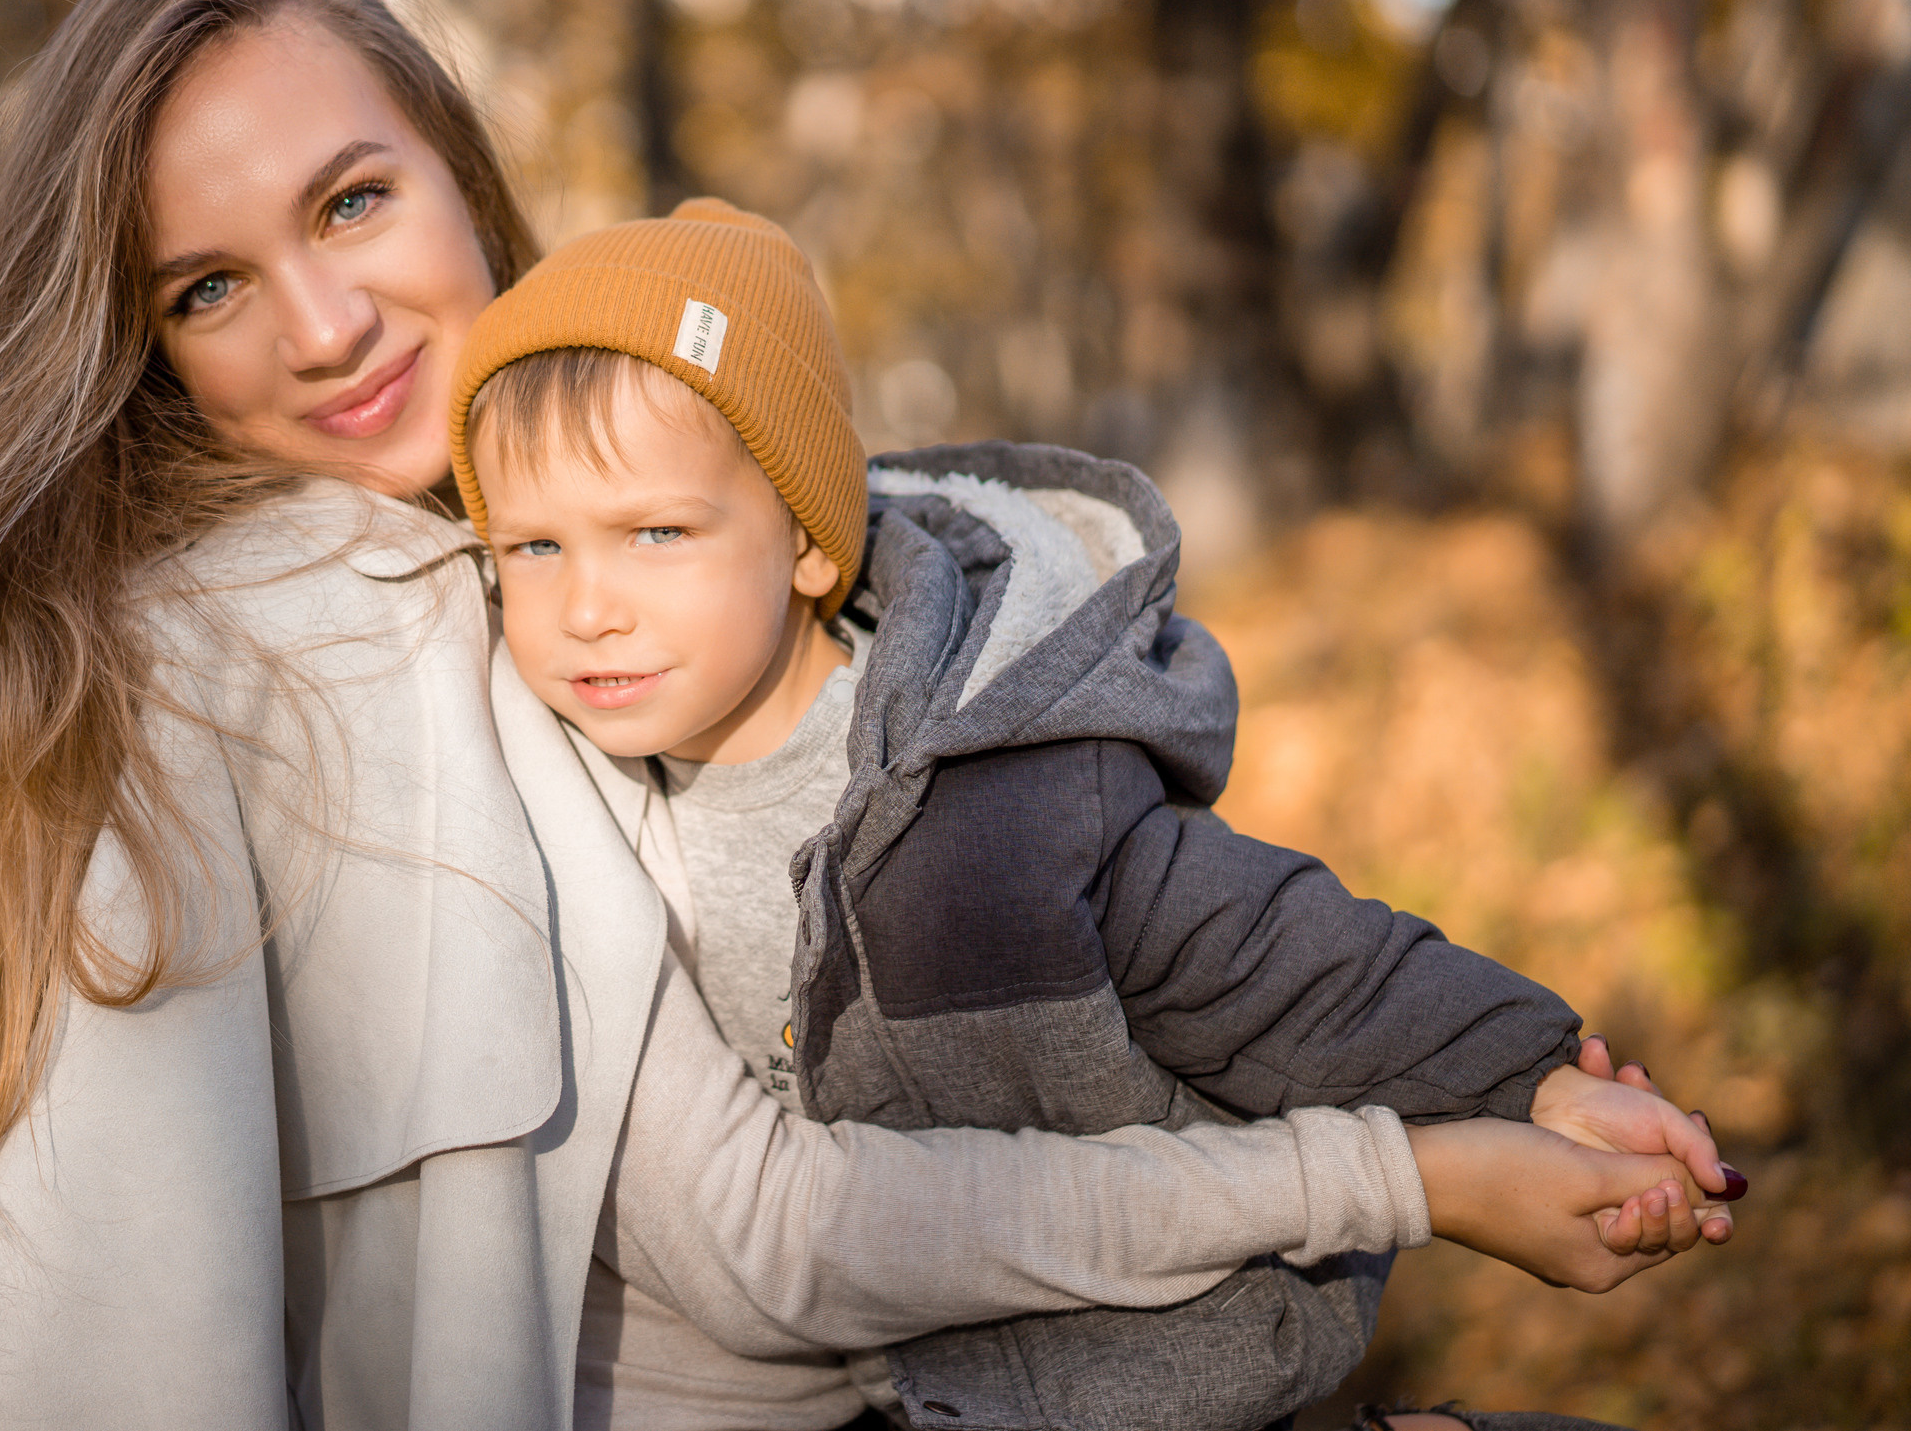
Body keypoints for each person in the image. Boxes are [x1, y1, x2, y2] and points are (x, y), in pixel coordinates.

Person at [0, 0, 1723, 1431]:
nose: (326, 326)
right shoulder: (310, 646)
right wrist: (1408, 1171)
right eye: (208, 286)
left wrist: (1506, 1074)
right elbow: (767, 1251)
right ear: (146, 346)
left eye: (350, 204)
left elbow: (1187, 923)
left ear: (462, 180)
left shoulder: (608, 555)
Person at [450, 199, 1744, 1430]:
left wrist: (1529, 1080)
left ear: (806, 539)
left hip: (1172, 1363)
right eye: (534, 547)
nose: (586, 606)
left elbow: (1280, 960)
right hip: (931, 1373)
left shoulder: (994, 793)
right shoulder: (590, 793)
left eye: (656, 532)